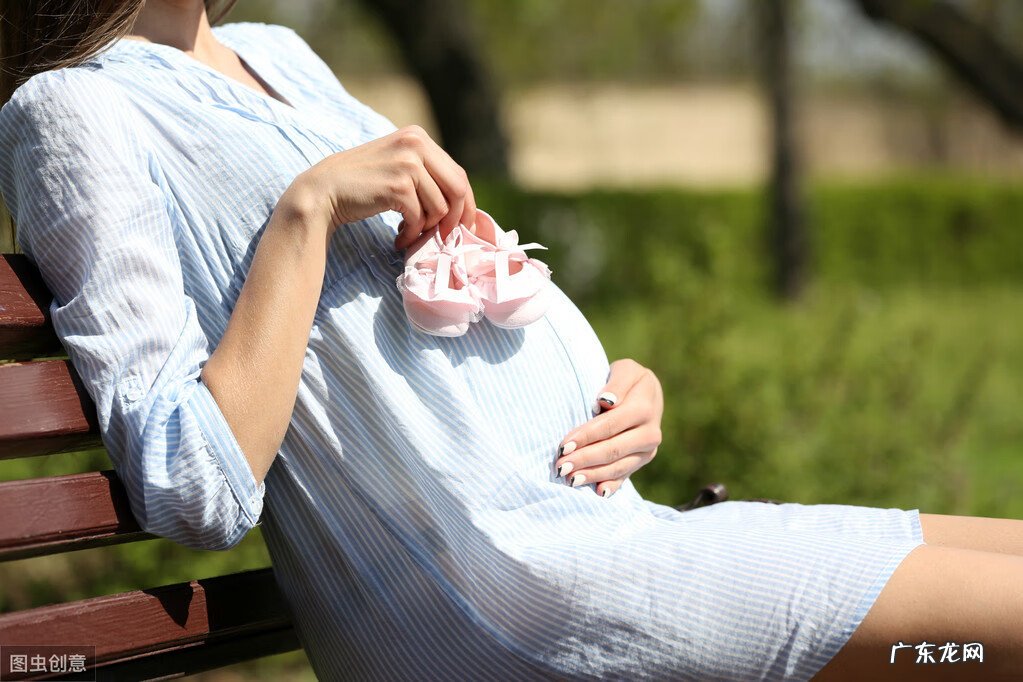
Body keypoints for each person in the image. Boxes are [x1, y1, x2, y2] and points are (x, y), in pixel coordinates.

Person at [0, 2, 1020, 680]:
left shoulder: (276, 53)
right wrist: (303, 212)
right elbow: (191, 485)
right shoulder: (73, 109)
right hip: (509, 591)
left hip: (612, 534)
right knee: (994, 629)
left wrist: (612, 390)